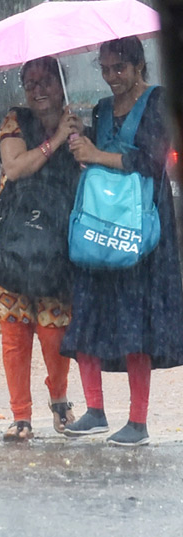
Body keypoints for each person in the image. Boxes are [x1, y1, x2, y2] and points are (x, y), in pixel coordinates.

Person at [62, 36, 183, 446]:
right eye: (106, 69)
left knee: (137, 322)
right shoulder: (99, 109)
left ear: (137, 66)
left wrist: (96, 155)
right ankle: (94, 410)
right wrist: (81, 140)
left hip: (141, 225)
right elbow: (92, 156)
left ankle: (138, 421)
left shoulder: (157, 102)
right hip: (100, 221)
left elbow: (149, 161)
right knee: (89, 311)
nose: (112, 77)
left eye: (120, 69)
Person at [0, 56, 82, 441]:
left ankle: (60, 401)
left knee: (55, 328)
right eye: (29, 82)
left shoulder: (79, 123)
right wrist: (54, 143)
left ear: (61, 83)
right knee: (15, 329)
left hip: (58, 240)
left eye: (45, 81)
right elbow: (15, 168)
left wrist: (78, 140)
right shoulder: (15, 120)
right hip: (14, 240)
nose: (37, 90)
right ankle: (20, 415)